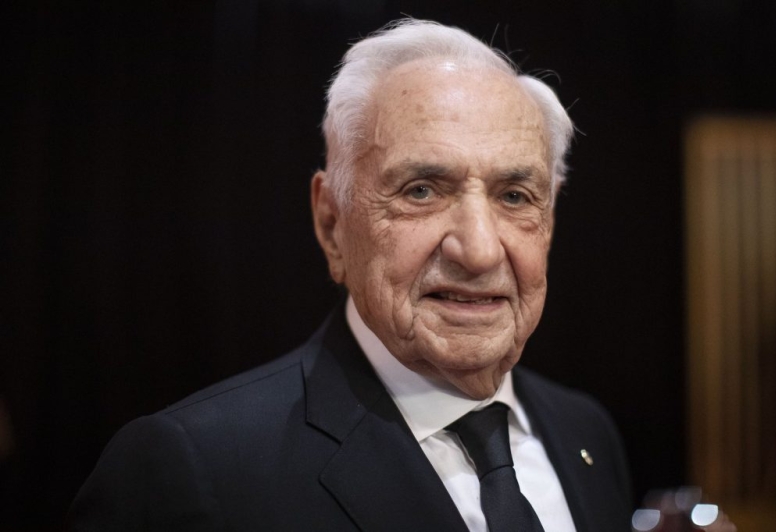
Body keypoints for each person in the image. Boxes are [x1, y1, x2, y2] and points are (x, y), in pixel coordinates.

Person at [68, 19, 634, 531]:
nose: (480, 252)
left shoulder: (583, 431)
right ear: (331, 223)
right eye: (421, 191)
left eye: (514, 196)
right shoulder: (194, 468)